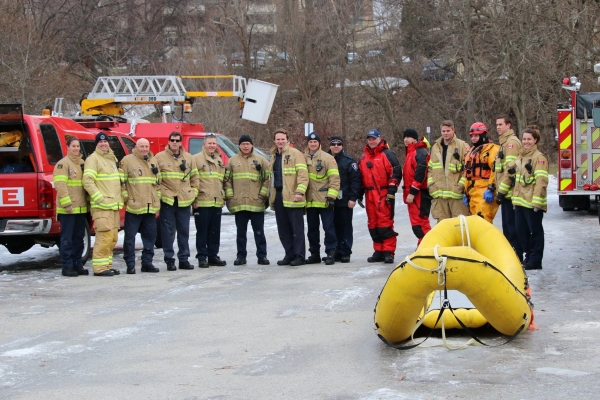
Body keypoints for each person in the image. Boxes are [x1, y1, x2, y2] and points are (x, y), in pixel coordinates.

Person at [502, 126, 548, 270]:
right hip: (520, 202)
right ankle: (528, 257)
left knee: (535, 232)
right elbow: (510, 173)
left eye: (529, 139)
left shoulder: (539, 159)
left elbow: (541, 182)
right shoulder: (521, 157)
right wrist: (501, 191)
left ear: (535, 140)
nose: (526, 142)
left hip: (532, 204)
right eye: (524, 139)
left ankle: (535, 260)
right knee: (521, 232)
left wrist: (537, 202)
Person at [155, 131, 199, 271]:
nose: (174, 142)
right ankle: (169, 260)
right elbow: (156, 179)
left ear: (181, 142)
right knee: (167, 233)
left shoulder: (189, 158)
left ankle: (184, 259)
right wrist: (161, 193)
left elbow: (195, 178)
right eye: (172, 140)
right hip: (168, 200)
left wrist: (193, 194)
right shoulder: (159, 158)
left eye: (177, 140)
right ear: (168, 141)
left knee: (184, 232)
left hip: (184, 200)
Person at [224, 134, 270, 266]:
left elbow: (267, 179)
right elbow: (227, 181)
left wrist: (262, 195)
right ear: (239, 145)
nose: (245, 146)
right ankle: (241, 256)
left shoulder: (260, 160)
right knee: (240, 233)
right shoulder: (232, 161)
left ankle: (262, 256)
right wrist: (231, 196)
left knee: (259, 232)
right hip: (239, 203)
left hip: (256, 202)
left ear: (251, 145)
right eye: (243, 144)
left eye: (247, 144)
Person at [83, 132, 124, 277]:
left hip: (113, 207)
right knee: (104, 238)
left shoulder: (112, 159)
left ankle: (107, 265)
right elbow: (87, 181)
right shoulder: (93, 159)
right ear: (97, 144)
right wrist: (99, 198)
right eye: (100, 142)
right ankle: (99, 268)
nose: (103, 144)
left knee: (113, 238)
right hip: (102, 207)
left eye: (105, 142)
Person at [358, 129, 402, 264]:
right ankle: (378, 250)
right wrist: (359, 194)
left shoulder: (387, 154)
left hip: (383, 194)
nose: (371, 141)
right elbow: (360, 178)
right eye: (369, 139)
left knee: (385, 223)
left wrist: (391, 190)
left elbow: (396, 171)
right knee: (373, 224)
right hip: (369, 194)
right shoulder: (364, 157)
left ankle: (388, 251)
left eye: (374, 139)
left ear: (379, 139)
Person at [120, 138, 161, 274]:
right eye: (141, 146)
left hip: (150, 206)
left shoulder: (153, 160)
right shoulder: (127, 161)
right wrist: (127, 198)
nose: (144, 149)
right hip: (134, 207)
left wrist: (157, 200)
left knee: (150, 238)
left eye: (146, 146)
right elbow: (121, 182)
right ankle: (130, 264)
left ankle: (147, 263)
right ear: (136, 147)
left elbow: (158, 183)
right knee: (130, 238)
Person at [269, 129, 309, 266]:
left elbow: (303, 175)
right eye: (278, 139)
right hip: (279, 195)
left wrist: (300, 192)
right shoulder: (274, 156)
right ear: (274, 141)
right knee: (283, 228)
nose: (280, 141)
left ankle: (299, 255)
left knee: (296, 229)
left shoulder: (296, 154)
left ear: (287, 140)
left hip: (293, 196)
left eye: (282, 139)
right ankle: (289, 254)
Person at [53, 137, 89, 277]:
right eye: (73, 146)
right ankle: (67, 266)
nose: (76, 148)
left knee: (79, 239)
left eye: (78, 146)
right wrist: (67, 204)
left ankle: (77, 264)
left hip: (81, 208)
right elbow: (61, 186)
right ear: (67, 147)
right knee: (67, 239)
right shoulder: (63, 164)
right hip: (68, 210)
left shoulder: (82, 163)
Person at [303, 132, 340, 265]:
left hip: (324, 200)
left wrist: (331, 196)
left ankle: (331, 252)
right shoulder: (303, 158)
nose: (313, 144)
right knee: (312, 229)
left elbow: (334, 179)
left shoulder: (328, 158)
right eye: (310, 142)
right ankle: (314, 254)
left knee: (328, 228)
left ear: (319, 143)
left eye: (315, 142)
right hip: (310, 201)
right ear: (307, 143)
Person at [192, 133, 227, 268]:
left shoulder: (218, 160)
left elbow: (221, 180)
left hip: (216, 201)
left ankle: (213, 255)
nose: (212, 146)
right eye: (209, 143)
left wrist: (222, 195)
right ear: (204, 144)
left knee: (214, 231)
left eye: (214, 143)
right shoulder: (196, 159)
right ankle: (202, 257)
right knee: (202, 231)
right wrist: (194, 199)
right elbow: (193, 180)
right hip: (202, 201)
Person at [494, 114, 524, 262]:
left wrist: (501, 191)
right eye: (497, 125)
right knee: (508, 228)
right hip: (506, 194)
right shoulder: (504, 142)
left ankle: (517, 257)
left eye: (501, 124)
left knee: (512, 229)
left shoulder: (511, 143)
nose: (498, 127)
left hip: (510, 194)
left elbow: (510, 171)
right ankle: (513, 257)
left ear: (509, 125)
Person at [427, 120, 470, 222]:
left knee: (460, 226)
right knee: (443, 228)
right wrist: (431, 185)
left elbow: (468, 168)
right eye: (443, 131)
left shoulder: (462, 146)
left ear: (453, 130)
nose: (445, 133)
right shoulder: (435, 147)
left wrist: (461, 185)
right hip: (440, 195)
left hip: (456, 196)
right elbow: (430, 168)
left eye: (448, 131)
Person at [327, 135, 361, 263]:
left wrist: (353, 198)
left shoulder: (349, 161)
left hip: (345, 200)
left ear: (342, 146)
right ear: (330, 146)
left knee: (345, 227)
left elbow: (355, 181)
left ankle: (345, 252)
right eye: (333, 144)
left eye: (339, 144)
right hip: (329, 200)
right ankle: (334, 251)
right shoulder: (325, 159)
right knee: (331, 227)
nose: (336, 146)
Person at [462, 122, 500, 223]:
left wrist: (491, 189)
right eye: (472, 136)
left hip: (484, 191)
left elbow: (496, 170)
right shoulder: (471, 151)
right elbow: (467, 174)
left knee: (483, 221)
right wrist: (465, 191)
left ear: (483, 135)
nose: (473, 138)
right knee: (474, 223)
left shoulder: (492, 149)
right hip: (472, 193)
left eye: (476, 136)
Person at [402, 129, 432, 245]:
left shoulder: (420, 152)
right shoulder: (410, 153)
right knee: (416, 224)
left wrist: (412, 192)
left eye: (408, 137)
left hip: (420, 194)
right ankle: (423, 244)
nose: (406, 139)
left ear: (415, 139)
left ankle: (428, 245)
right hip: (415, 194)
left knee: (421, 222)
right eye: (405, 137)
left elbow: (421, 173)